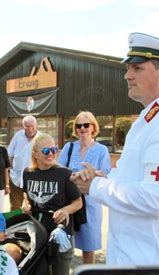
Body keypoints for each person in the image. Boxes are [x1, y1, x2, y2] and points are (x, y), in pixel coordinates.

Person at [70, 32, 159, 265]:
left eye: (138, 68)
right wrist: (104, 177)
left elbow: (153, 198)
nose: (127, 76)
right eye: (129, 68)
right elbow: (138, 180)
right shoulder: (152, 119)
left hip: (155, 261)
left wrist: (96, 186)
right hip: (139, 257)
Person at [22, 133, 82, 274]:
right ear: (35, 154)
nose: (51, 154)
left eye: (54, 150)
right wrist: (25, 204)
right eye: (46, 151)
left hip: (59, 233)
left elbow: (78, 202)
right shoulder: (28, 173)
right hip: (37, 233)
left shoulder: (65, 173)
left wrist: (66, 210)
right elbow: (26, 194)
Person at [57, 111, 111, 264]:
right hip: (70, 202)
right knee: (64, 242)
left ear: (93, 127)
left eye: (86, 125)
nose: (82, 128)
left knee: (89, 246)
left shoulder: (102, 150)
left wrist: (92, 175)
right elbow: (59, 171)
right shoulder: (69, 147)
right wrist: (73, 177)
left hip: (91, 204)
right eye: (79, 125)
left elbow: (105, 174)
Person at [8, 115, 39, 210]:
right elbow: (10, 154)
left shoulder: (41, 138)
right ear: (23, 127)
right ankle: (14, 224)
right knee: (15, 207)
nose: (30, 129)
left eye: (32, 126)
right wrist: (10, 170)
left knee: (32, 207)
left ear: (36, 125)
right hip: (16, 178)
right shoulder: (18, 136)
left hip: (34, 179)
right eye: (27, 126)